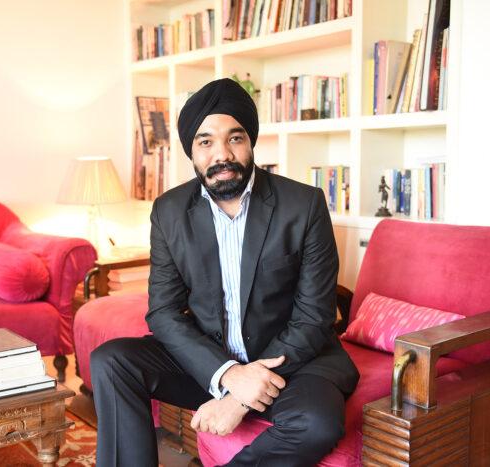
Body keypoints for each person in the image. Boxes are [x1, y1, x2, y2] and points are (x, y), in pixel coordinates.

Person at [90, 78, 359, 467]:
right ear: (192, 151)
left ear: (251, 142)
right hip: (212, 359)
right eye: (206, 142)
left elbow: (314, 317)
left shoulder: (304, 205)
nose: (223, 154)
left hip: (293, 363)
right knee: (112, 361)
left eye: (235, 138)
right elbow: (163, 313)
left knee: (316, 424)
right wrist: (229, 374)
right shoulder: (169, 211)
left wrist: (240, 398)